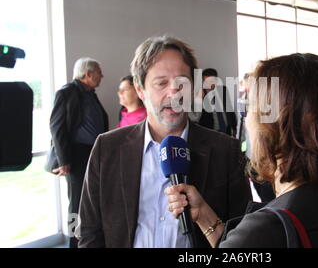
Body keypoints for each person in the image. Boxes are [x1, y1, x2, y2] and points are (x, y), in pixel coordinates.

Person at [166, 53, 318, 248]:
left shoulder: (267, 229)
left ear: (277, 125)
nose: (248, 118)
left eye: (252, 107)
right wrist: (203, 213)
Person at [76, 36, 251, 248]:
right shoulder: (107, 148)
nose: (174, 92)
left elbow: (243, 238)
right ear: (140, 90)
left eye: (182, 82)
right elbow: (89, 233)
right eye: (161, 83)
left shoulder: (226, 151)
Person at [49, 57, 108, 248]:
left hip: (93, 153)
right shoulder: (67, 92)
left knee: (94, 198)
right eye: (99, 71)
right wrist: (63, 159)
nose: (102, 75)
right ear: (88, 74)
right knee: (76, 203)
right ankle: (74, 243)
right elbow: (56, 127)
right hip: (76, 155)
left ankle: (92, 239)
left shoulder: (90, 93)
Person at [198, 68, 237, 137]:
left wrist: (234, 127)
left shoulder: (223, 90)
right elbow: (197, 116)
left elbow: (230, 109)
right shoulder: (201, 93)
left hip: (226, 130)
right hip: (210, 131)